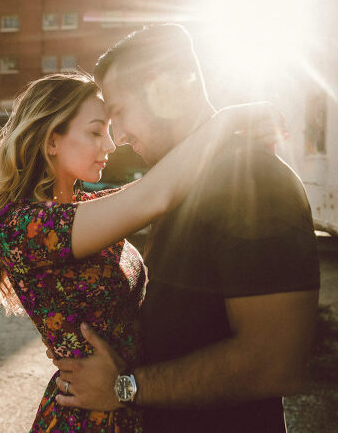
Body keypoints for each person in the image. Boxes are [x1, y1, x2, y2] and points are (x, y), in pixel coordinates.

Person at [0, 71, 283, 432]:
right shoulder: (24, 226)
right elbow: (155, 194)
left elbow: (164, 187)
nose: (111, 145)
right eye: (96, 132)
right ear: (52, 140)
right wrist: (227, 119)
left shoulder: (84, 208)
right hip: (88, 417)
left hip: (128, 402)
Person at [51, 24, 320, 432]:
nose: (118, 137)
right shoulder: (178, 184)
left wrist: (124, 387)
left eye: (119, 113)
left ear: (168, 91)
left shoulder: (253, 181)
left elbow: (274, 363)